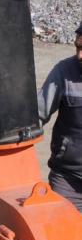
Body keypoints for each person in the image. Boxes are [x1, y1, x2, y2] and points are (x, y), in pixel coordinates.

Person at [37, 22, 82, 210]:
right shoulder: (64, 72)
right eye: (78, 47)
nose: (80, 55)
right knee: (63, 236)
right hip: (67, 179)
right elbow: (35, 115)